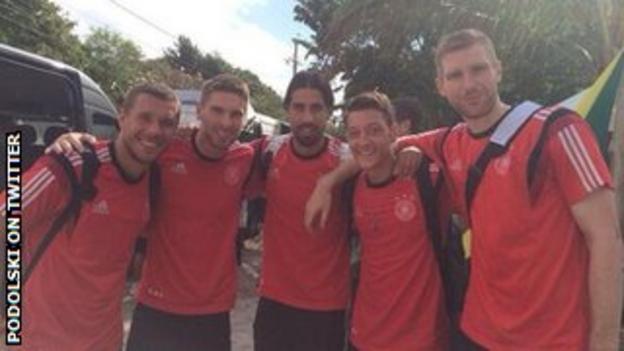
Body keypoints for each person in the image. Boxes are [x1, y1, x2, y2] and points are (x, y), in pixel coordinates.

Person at [394, 29, 622, 350]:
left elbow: (606, 239)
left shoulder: (557, 129)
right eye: (455, 75)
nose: (469, 84)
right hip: (476, 333)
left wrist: (605, 341)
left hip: (552, 340)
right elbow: (390, 145)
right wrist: (328, 183)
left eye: (478, 69)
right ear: (441, 86)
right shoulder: (451, 142)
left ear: (498, 69)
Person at [49, 74, 256, 351]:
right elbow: (121, 149)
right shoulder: (165, 150)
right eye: (217, 110)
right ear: (201, 110)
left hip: (213, 312)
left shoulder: (246, 158)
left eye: (236, 114)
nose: (226, 122)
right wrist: (73, 141)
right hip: (157, 305)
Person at [0, 82, 180, 350]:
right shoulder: (72, 165)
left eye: (166, 122)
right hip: (40, 340)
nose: (154, 130)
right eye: (144, 117)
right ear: (122, 117)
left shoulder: (154, 181)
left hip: (104, 340)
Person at [252, 70, 352, 351]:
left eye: (316, 108)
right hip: (273, 301)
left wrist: (328, 181)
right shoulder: (268, 152)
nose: (307, 117)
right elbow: (222, 153)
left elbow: (384, 150)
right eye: (299, 107)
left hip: (326, 307)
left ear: (329, 113)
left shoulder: (345, 159)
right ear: (287, 110)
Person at [343, 91, 448, 350]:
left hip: (421, 339)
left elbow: (460, 137)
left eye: (374, 130)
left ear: (393, 131)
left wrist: (413, 147)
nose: (363, 141)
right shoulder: (350, 187)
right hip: (363, 335)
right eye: (354, 133)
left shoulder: (429, 178)